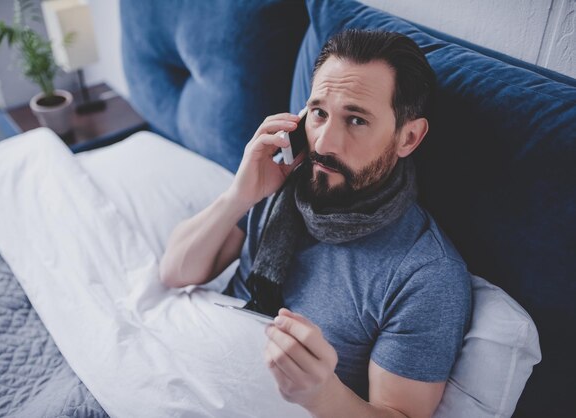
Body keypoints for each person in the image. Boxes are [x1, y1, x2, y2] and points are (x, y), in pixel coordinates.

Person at [160, 29, 471, 418]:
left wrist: (321, 394)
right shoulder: (282, 187)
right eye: (319, 113)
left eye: (356, 120)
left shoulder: (426, 275)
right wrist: (239, 195)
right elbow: (174, 272)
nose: (324, 143)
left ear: (408, 137)